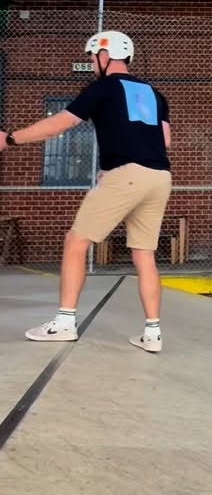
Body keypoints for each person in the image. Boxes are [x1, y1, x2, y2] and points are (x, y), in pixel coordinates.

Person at [0, 31, 172, 353]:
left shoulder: (103, 87)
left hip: (126, 175)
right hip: (160, 176)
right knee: (144, 253)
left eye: (93, 58)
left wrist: (10, 139)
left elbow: (60, 124)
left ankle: (64, 323)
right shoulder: (154, 93)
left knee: (76, 241)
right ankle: (153, 333)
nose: (93, 65)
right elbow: (165, 142)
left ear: (104, 55)